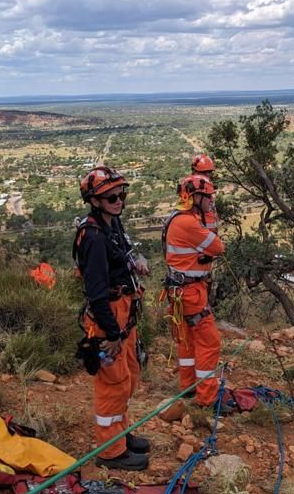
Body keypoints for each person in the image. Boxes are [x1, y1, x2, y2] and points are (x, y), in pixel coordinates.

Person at [74, 166, 150, 471]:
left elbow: (123, 256)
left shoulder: (112, 225)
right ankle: (110, 451)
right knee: (113, 383)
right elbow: (96, 293)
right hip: (108, 316)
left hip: (124, 310)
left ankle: (121, 434)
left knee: (128, 376)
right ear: (94, 201)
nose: (118, 200)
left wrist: (137, 263)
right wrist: (112, 332)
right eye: (110, 197)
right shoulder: (93, 237)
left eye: (121, 194)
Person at [162, 174, 226, 407]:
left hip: (179, 292)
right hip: (191, 293)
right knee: (209, 343)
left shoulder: (176, 218)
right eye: (207, 197)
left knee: (187, 342)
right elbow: (219, 246)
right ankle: (207, 399)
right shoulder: (188, 223)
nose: (211, 201)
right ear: (195, 197)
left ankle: (187, 388)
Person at [190, 154, 218, 232]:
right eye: (207, 172)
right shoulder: (199, 185)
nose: (209, 174)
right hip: (204, 233)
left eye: (210, 171)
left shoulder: (193, 184)